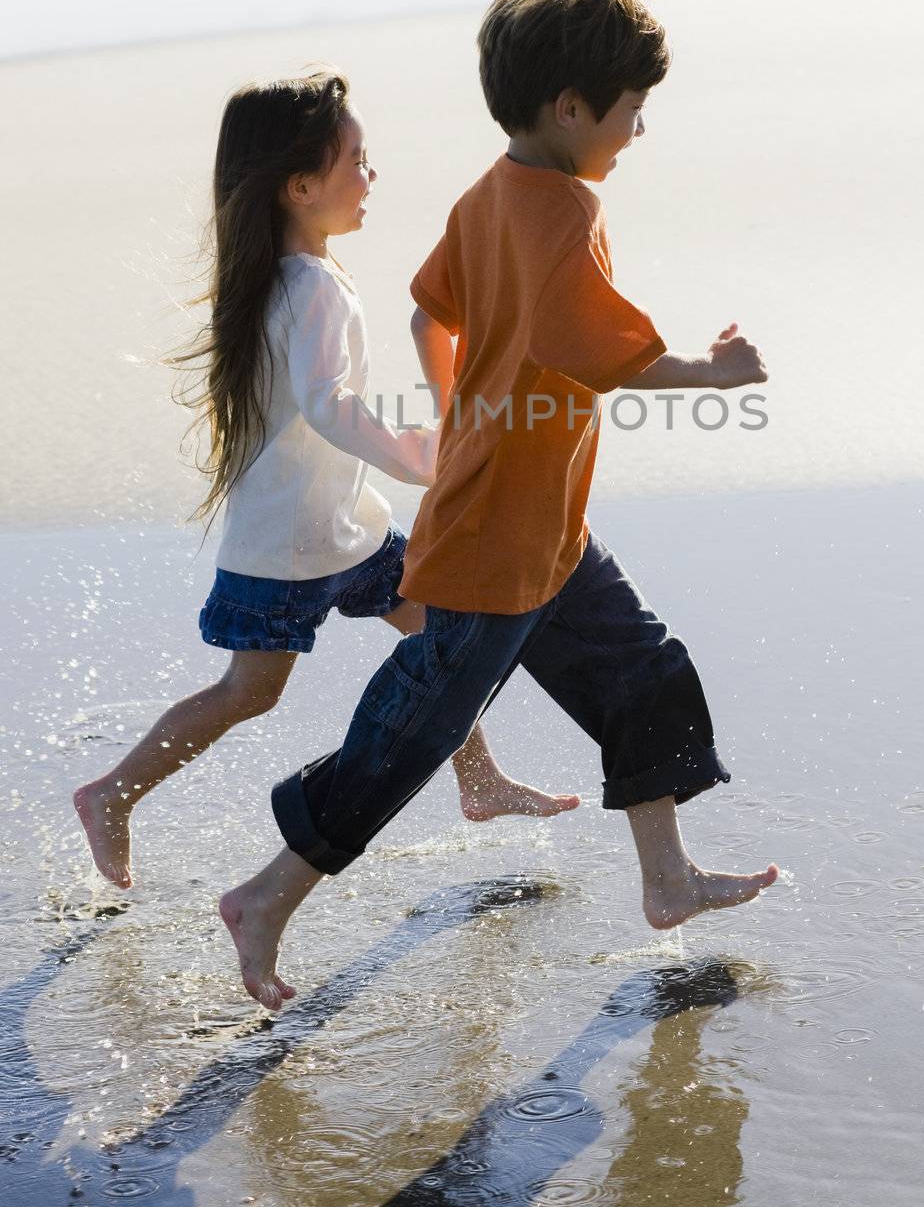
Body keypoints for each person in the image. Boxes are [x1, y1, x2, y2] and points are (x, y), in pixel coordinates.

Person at [219, 0, 778, 1011]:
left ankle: (664, 877)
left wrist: (461, 410)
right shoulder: (565, 209)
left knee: (642, 668)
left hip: (540, 523)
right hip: (494, 538)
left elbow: (432, 312)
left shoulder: (488, 192)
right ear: (570, 108)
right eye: (631, 110)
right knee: (415, 727)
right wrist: (710, 374)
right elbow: (585, 350)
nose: (637, 131)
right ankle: (265, 895)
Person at [73, 71, 579, 890]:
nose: (370, 175)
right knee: (249, 692)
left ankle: (476, 779)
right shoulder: (306, 284)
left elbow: (319, 406)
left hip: (342, 525)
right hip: (289, 545)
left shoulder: (290, 274)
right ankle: (112, 795)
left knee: (443, 639)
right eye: (357, 160)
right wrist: (422, 457)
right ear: (301, 185)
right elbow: (329, 404)